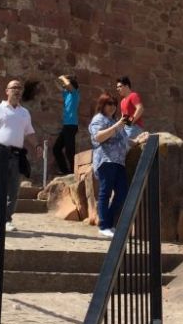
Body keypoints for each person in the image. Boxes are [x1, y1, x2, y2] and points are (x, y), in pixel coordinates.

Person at [0, 79, 43, 232]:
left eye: (20, 88)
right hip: (0, 154)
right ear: (7, 91)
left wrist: (37, 145)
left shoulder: (24, 113)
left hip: (16, 155)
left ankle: (6, 220)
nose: (17, 90)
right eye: (14, 88)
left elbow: (30, 133)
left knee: (14, 190)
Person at [88, 93, 132, 238]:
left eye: (114, 104)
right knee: (105, 192)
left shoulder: (115, 121)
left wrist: (139, 140)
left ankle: (109, 223)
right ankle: (104, 226)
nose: (112, 107)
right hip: (106, 161)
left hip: (119, 162)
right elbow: (98, 137)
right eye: (109, 103)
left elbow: (125, 141)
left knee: (122, 193)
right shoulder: (99, 119)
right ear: (102, 105)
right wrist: (117, 126)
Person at [52, 74, 80, 175]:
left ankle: (73, 172)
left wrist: (63, 77)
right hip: (66, 126)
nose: (64, 86)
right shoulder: (67, 94)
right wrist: (56, 78)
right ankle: (65, 171)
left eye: (66, 85)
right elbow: (58, 85)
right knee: (56, 149)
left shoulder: (75, 93)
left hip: (71, 126)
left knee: (70, 150)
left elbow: (67, 84)